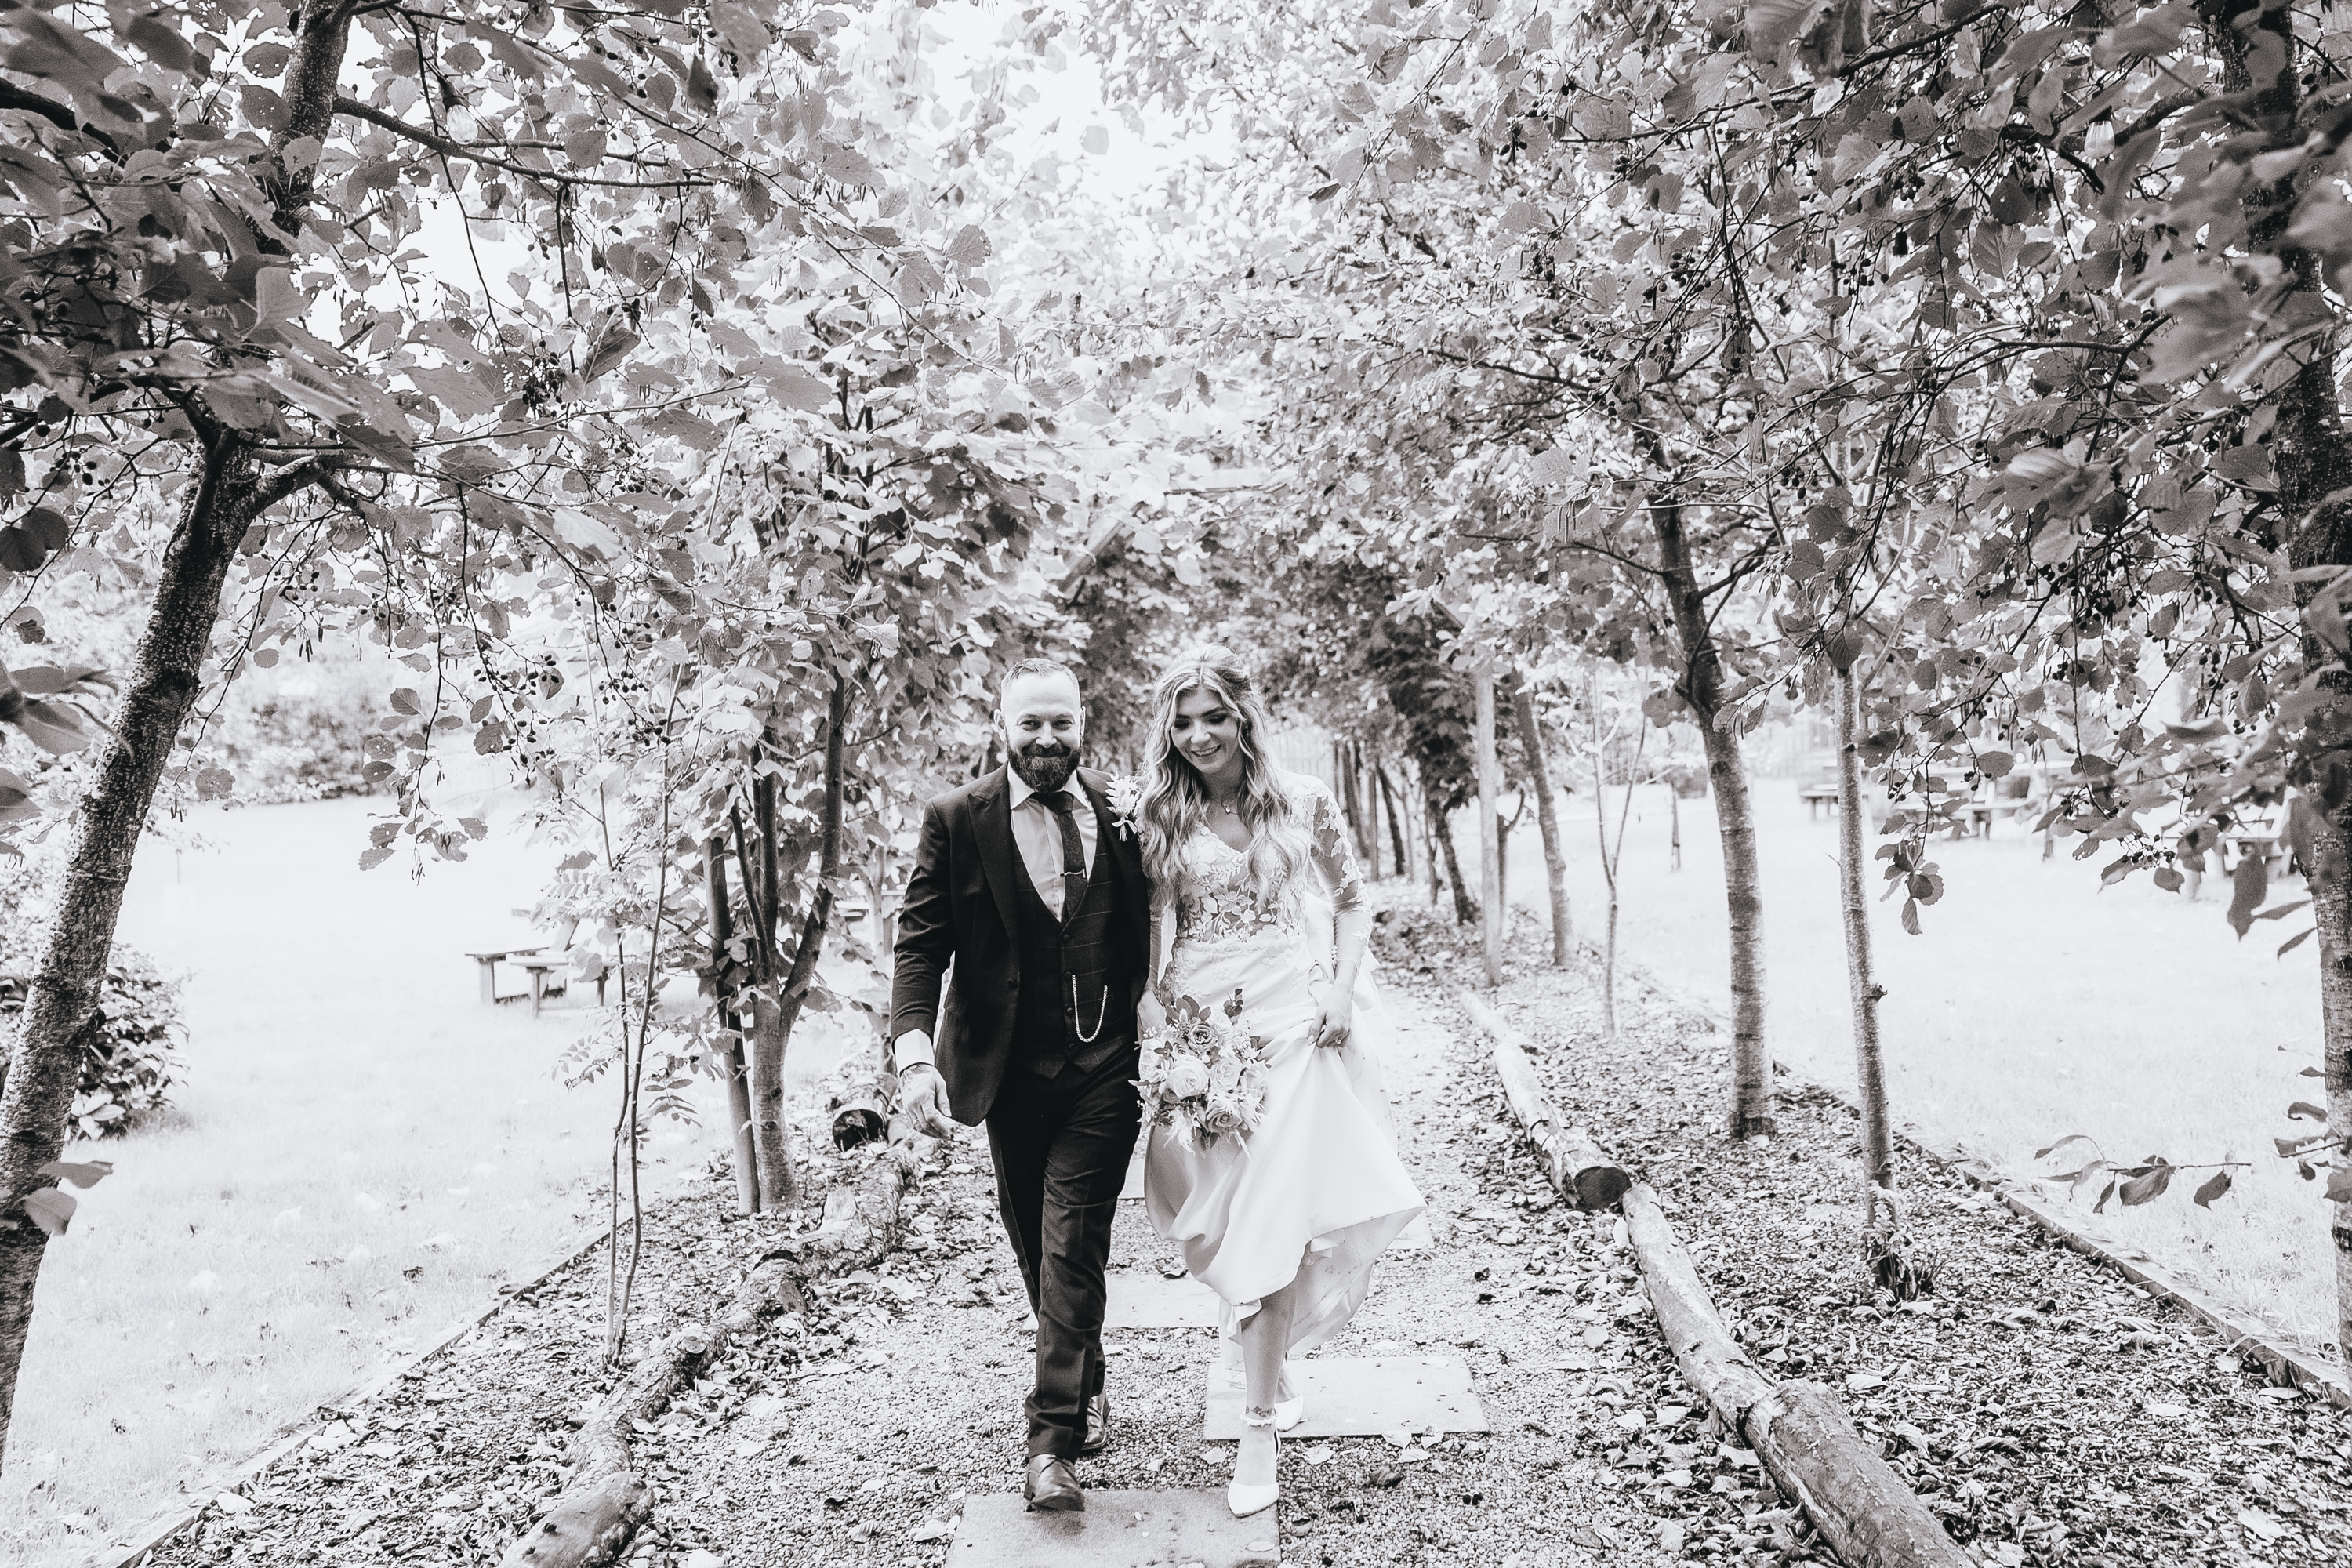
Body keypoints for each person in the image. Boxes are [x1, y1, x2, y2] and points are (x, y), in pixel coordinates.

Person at [1135, 646, 1425, 1518]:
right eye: (1183, 723)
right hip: (1203, 1029)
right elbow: (1152, 924)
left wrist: (1340, 988)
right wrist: (1153, 1014)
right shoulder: (1159, 811)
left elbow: (1352, 900)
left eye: (1213, 717)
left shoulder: (1303, 799)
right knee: (1219, 1219)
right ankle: (1267, 1353)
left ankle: (1257, 1426)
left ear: (1243, 717)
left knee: (1279, 1215)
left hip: (1295, 1024)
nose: (1198, 736)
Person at [887, 657, 1151, 1513]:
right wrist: (914, 1058)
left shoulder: (1125, 810)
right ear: (1001, 725)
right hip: (1005, 1073)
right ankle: (1084, 1368)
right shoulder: (956, 819)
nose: (1046, 738)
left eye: (1060, 722)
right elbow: (920, 948)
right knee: (1035, 1245)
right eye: (1029, 723)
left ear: (1084, 722)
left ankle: (1051, 1444)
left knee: (1073, 1238)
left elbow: (1160, 923)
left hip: (1106, 1067)